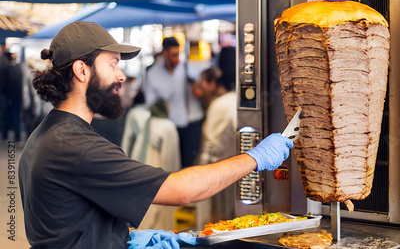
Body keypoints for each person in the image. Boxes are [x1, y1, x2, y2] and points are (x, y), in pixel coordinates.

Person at [19, 21, 292, 249]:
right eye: (113, 64)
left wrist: (122, 238)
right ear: (82, 70)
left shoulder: (44, 134)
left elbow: (73, 223)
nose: (121, 75)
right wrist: (255, 158)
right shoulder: (79, 147)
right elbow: (181, 190)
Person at [145, 37, 204, 168]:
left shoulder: (188, 68)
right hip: (171, 126)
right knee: (172, 164)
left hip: (192, 124)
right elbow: (151, 103)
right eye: (173, 55)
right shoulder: (153, 74)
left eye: (178, 54)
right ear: (165, 53)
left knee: (191, 164)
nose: (177, 59)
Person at [196, 66, 237, 222]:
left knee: (219, 218)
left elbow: (209, 142)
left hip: (217, 169)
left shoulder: (218, 104)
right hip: (237, 165)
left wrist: (201, 169)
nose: (201, 87)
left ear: (213, 83)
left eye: (203, 83)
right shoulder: (236, 98)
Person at [0, 51, 23, 141]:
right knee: (15, 116)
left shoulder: (4, 69)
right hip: (17, 97)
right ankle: (17, 137)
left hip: (7, 96)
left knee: (5, 116)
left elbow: (2, 84)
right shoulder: (19, 68)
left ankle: (5, 135)